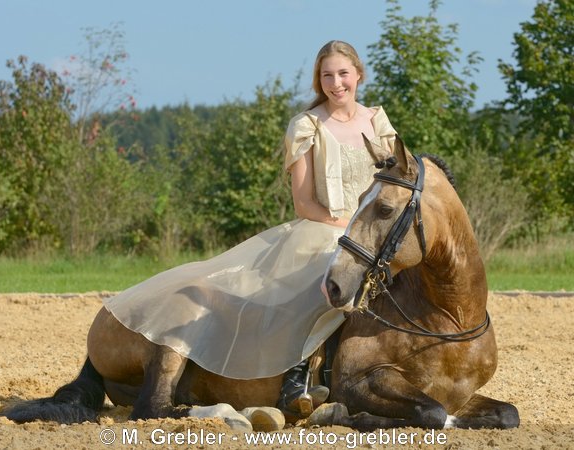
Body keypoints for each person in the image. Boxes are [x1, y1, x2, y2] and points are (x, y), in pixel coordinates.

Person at [103, 40, 397, 418]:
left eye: (343, 73)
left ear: (358, 74)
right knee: (323, 282)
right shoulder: (306, 126)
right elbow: (304, 203)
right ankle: (297, 378)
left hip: (376, 236)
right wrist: (348, 227)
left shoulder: (378, 122)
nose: (336, 83)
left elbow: (394, 186)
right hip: (325, 229)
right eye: (327, 75)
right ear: (318, 80)